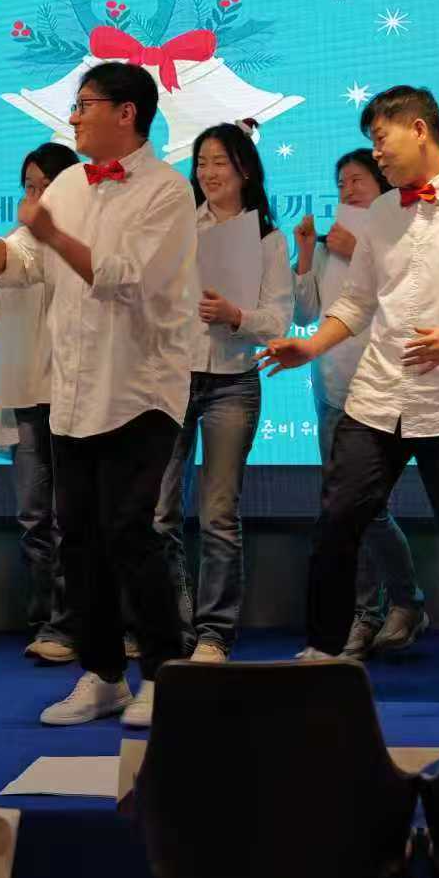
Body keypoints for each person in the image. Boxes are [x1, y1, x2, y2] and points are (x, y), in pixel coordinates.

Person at [258, 85, 439, 704]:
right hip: (378, 392)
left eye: (381, 139)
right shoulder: (381, 212)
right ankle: (324, 651)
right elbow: (356, 302)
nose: (376, 153)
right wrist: (311, 346)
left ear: (419, 130)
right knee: (337, 517)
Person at [0, 61, 195, 729]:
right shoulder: (67, 182)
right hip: (72, 392)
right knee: (80, 538)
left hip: (140, 389)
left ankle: (165, 674)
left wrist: (55, 234)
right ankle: (102, 675)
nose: (75, 116)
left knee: (130, 531)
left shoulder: (168, 191)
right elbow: (23, 267)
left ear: (126, 113)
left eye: (85, 104)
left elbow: (130, 279)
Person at [155, 122, 294, 662]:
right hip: (173, 378)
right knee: (159, 513)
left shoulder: (268, 240)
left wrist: (237, 316)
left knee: (217, 514)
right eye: (201, 162)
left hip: (232, 382)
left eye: (220, 162)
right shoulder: (179, 228)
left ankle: (214, 633)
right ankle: (171, 622)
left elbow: (278, 319)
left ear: (245, 170)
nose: (208, 173)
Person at [292, 151, 430, 659]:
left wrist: (358, 252)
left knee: (366, 509)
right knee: (343, 512)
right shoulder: (331, 242)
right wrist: (306, 252)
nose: (347, 189)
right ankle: (372, 612)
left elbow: (410, 298)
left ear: (383, 186)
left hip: (382, 386)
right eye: (341, 182)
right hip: (331, 386)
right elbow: (305, 310)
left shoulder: (400, 232)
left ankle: (394, 606)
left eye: (357, 180)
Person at [0, 142, 82, 664]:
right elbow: (6, 278)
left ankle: (76, 622)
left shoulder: (81, 239)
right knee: (33, 515)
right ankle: (46, 621)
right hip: (28, 396)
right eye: (29, 187)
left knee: (71, 516)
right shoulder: (20, 239)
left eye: (45, 186)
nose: (35, 196)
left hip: (74, 394)